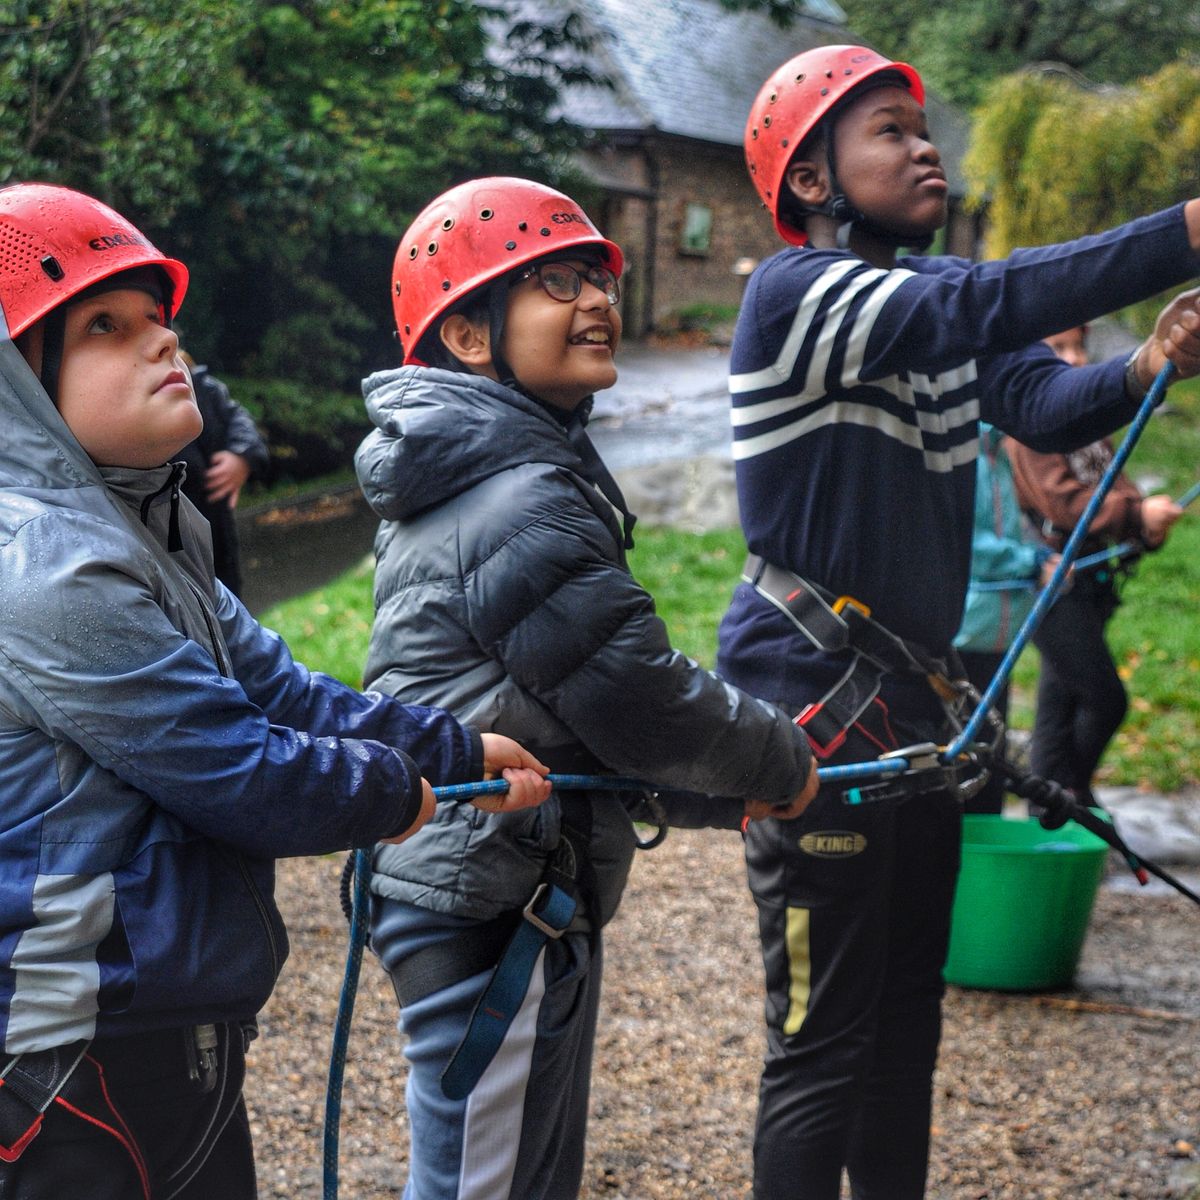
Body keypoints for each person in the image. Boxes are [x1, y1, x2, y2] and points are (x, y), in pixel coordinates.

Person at [0, 182, 552, 1200]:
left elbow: (287, 694)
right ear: (17, 386)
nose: (164, 344)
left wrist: (456, 749)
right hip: (65, 1054)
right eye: (105, 327)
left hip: (164, 1021)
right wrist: (396, 796)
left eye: (159, 317)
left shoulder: (151, 538)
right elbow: (234, 767)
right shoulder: (40, 569)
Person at [716, 44, 1200, 1200]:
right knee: (823, 1044)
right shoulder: (800, 295)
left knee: (904, 1023)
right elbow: (991, 299)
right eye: (887, 129)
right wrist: (1180, 232)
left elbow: (1038, 394)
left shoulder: (932, 313)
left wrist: (1147, 362)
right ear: (816, 181)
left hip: (915, 709)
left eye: (921, 128)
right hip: (815, 712)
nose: (925, 146)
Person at [354, 176, 820, 1200]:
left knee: (511, 1172)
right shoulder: (517, 495)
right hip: (488, 894)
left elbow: (567, 710)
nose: (600, 300)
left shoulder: (508, 465)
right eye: (556, 283)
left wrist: (705, 792)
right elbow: (633, 695)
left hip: (498, 875)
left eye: (601, 278)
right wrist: (781, 761)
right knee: (488, 1181)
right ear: (472, 338)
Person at [1007, 325, 1183, 808]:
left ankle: (1047, 806)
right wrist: (1133, 515)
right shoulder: (1031, 426)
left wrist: (1144, 525)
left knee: (1058, 702)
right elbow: (1065, 504)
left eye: (1079, 345)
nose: (1077, 358)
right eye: (1060, 348)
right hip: (1051, 584)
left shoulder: (1085, 425)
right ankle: (1072, 791)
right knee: (1105, 700)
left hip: (1090, 582)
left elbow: (1116, 484)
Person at [953, 423, 1060, 813]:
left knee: (991, 746)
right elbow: (970, 547)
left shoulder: (998, 454)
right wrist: (1032, 562)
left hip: (996, 631)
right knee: (969, 748)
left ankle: (989, 843)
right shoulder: (968, 460)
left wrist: (1040, 556)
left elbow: (1008, 533)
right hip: (966, 632)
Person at [176, 350, 269, 598]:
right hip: (173, 534)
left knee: (229, 597)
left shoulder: (203, 387)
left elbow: (239, 419)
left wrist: (241, 455)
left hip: (216, 524)